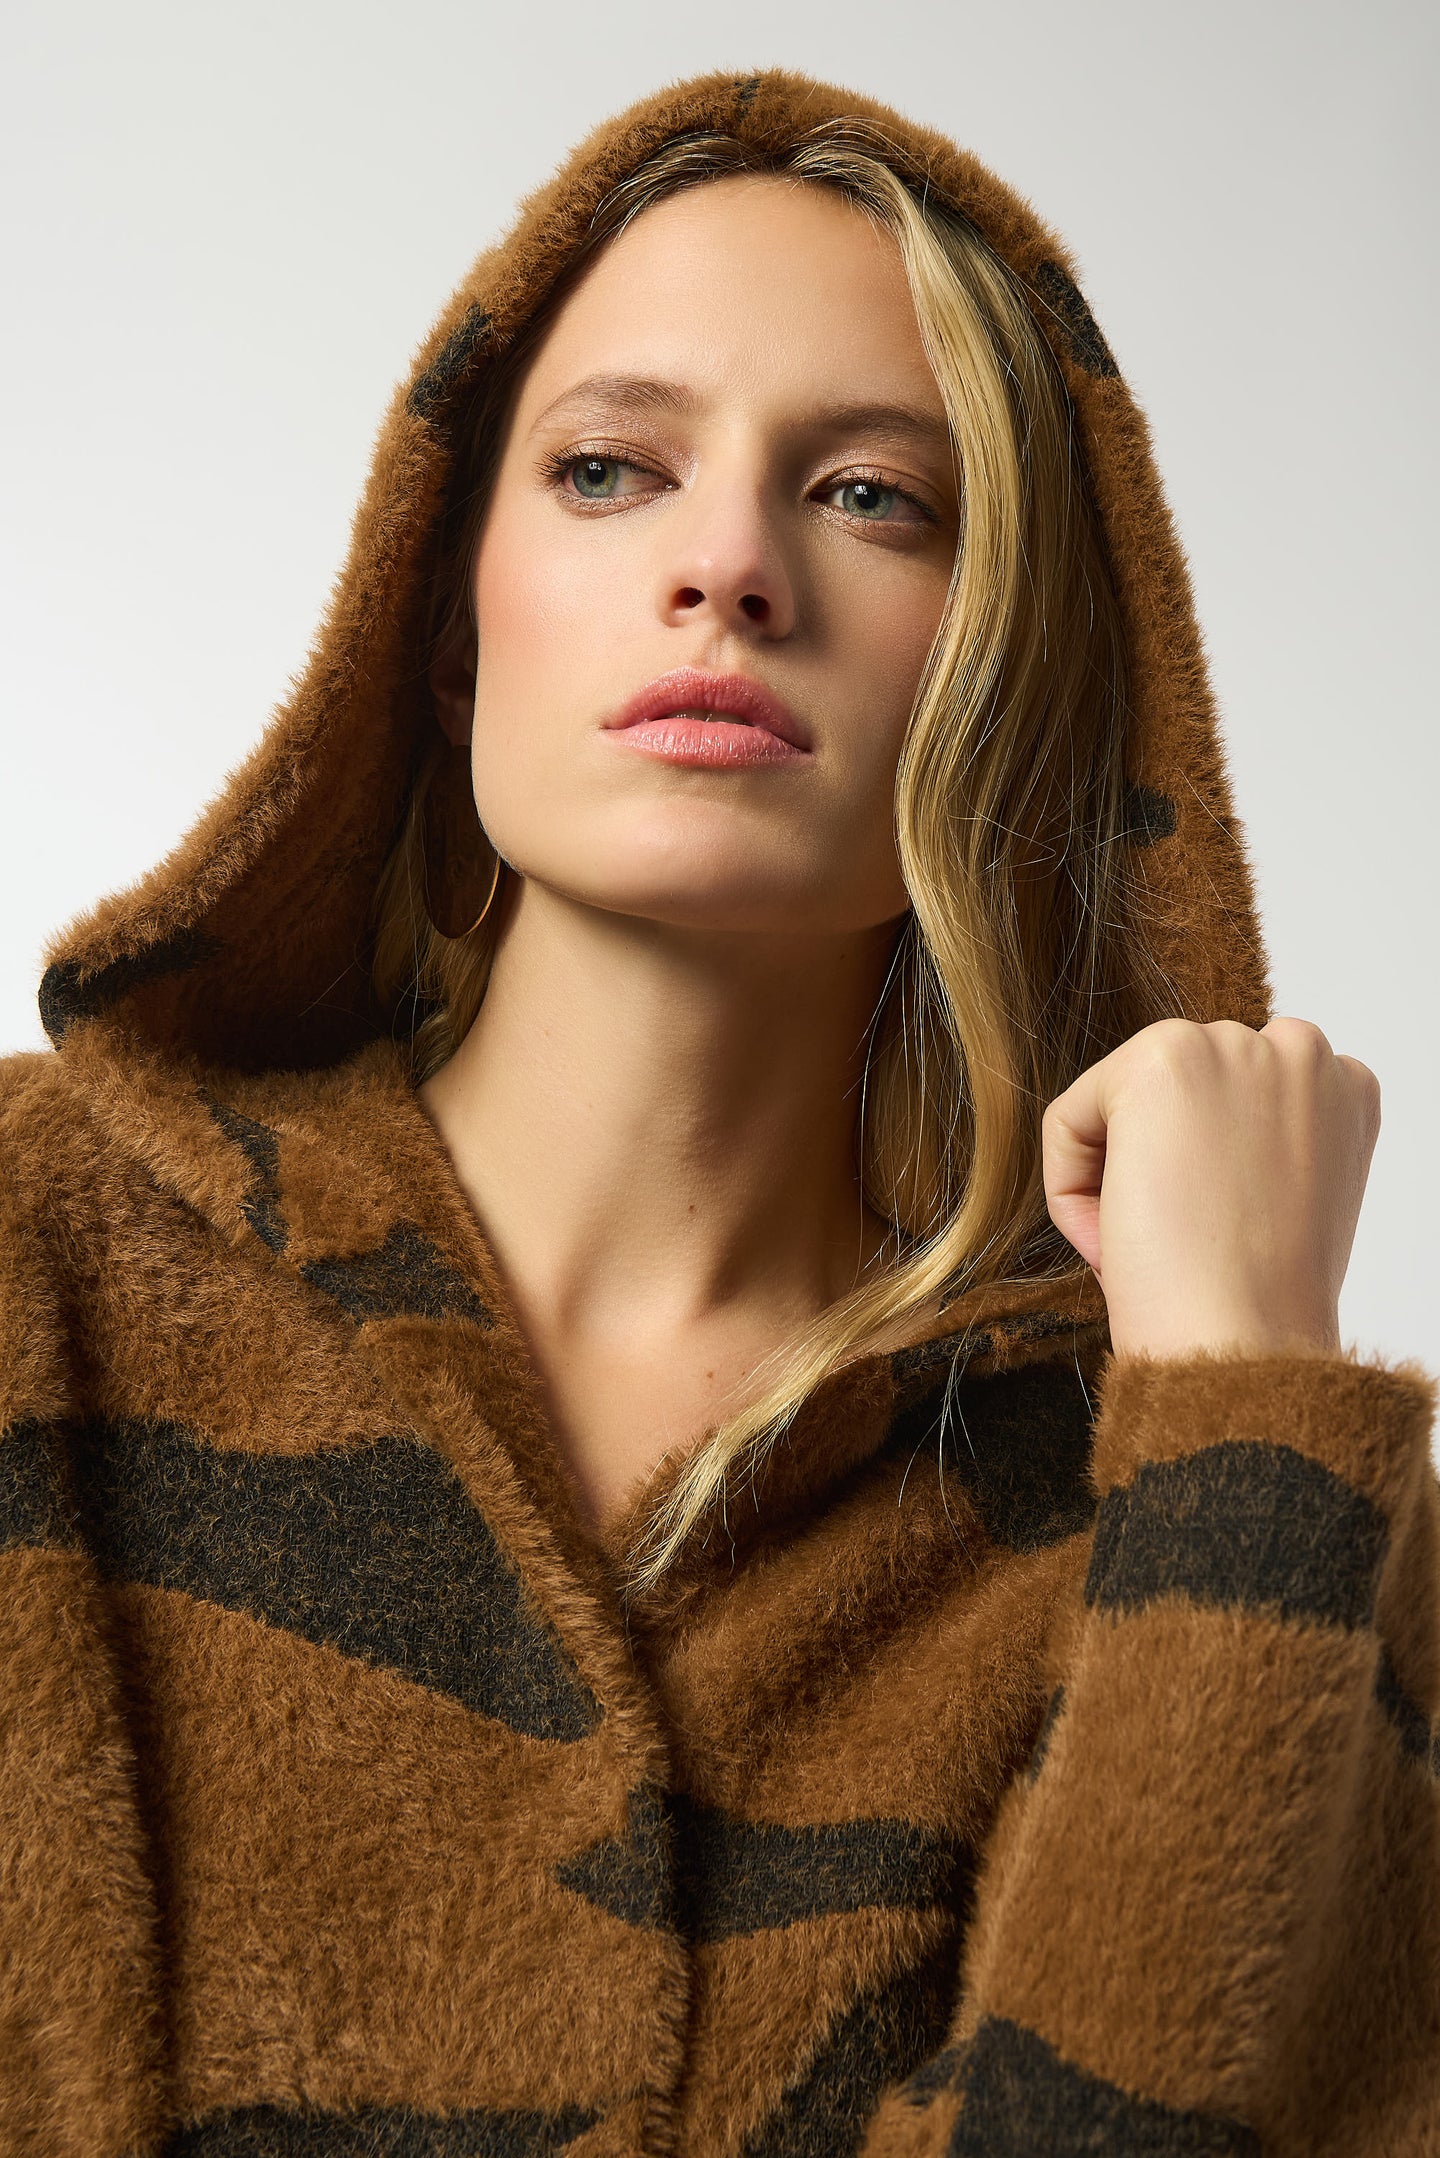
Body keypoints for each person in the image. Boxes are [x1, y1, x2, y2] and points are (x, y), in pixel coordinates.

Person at [1, 66, 1434, 2158]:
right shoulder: (37, 1255)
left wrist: (1236, 1426)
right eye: (609, 470)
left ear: (1008, 682)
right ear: (447, 637)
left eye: (872, 496)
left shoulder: (1229, 1488)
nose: (732, 566)